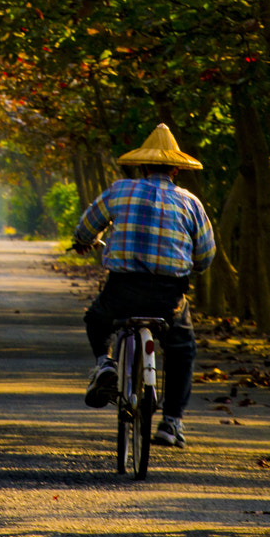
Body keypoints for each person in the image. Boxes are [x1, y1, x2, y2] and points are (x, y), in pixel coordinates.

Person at [70, 124, 215, 449]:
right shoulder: (191, 203)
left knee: (96, 319)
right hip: (170, 296)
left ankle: (105, 364)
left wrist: (84, 241)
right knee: (181, 349)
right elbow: (206, 256)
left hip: (123, 291)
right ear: (176, 169)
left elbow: (86, 227)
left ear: (142, 165)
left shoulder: (120, 190)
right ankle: (172, 421)